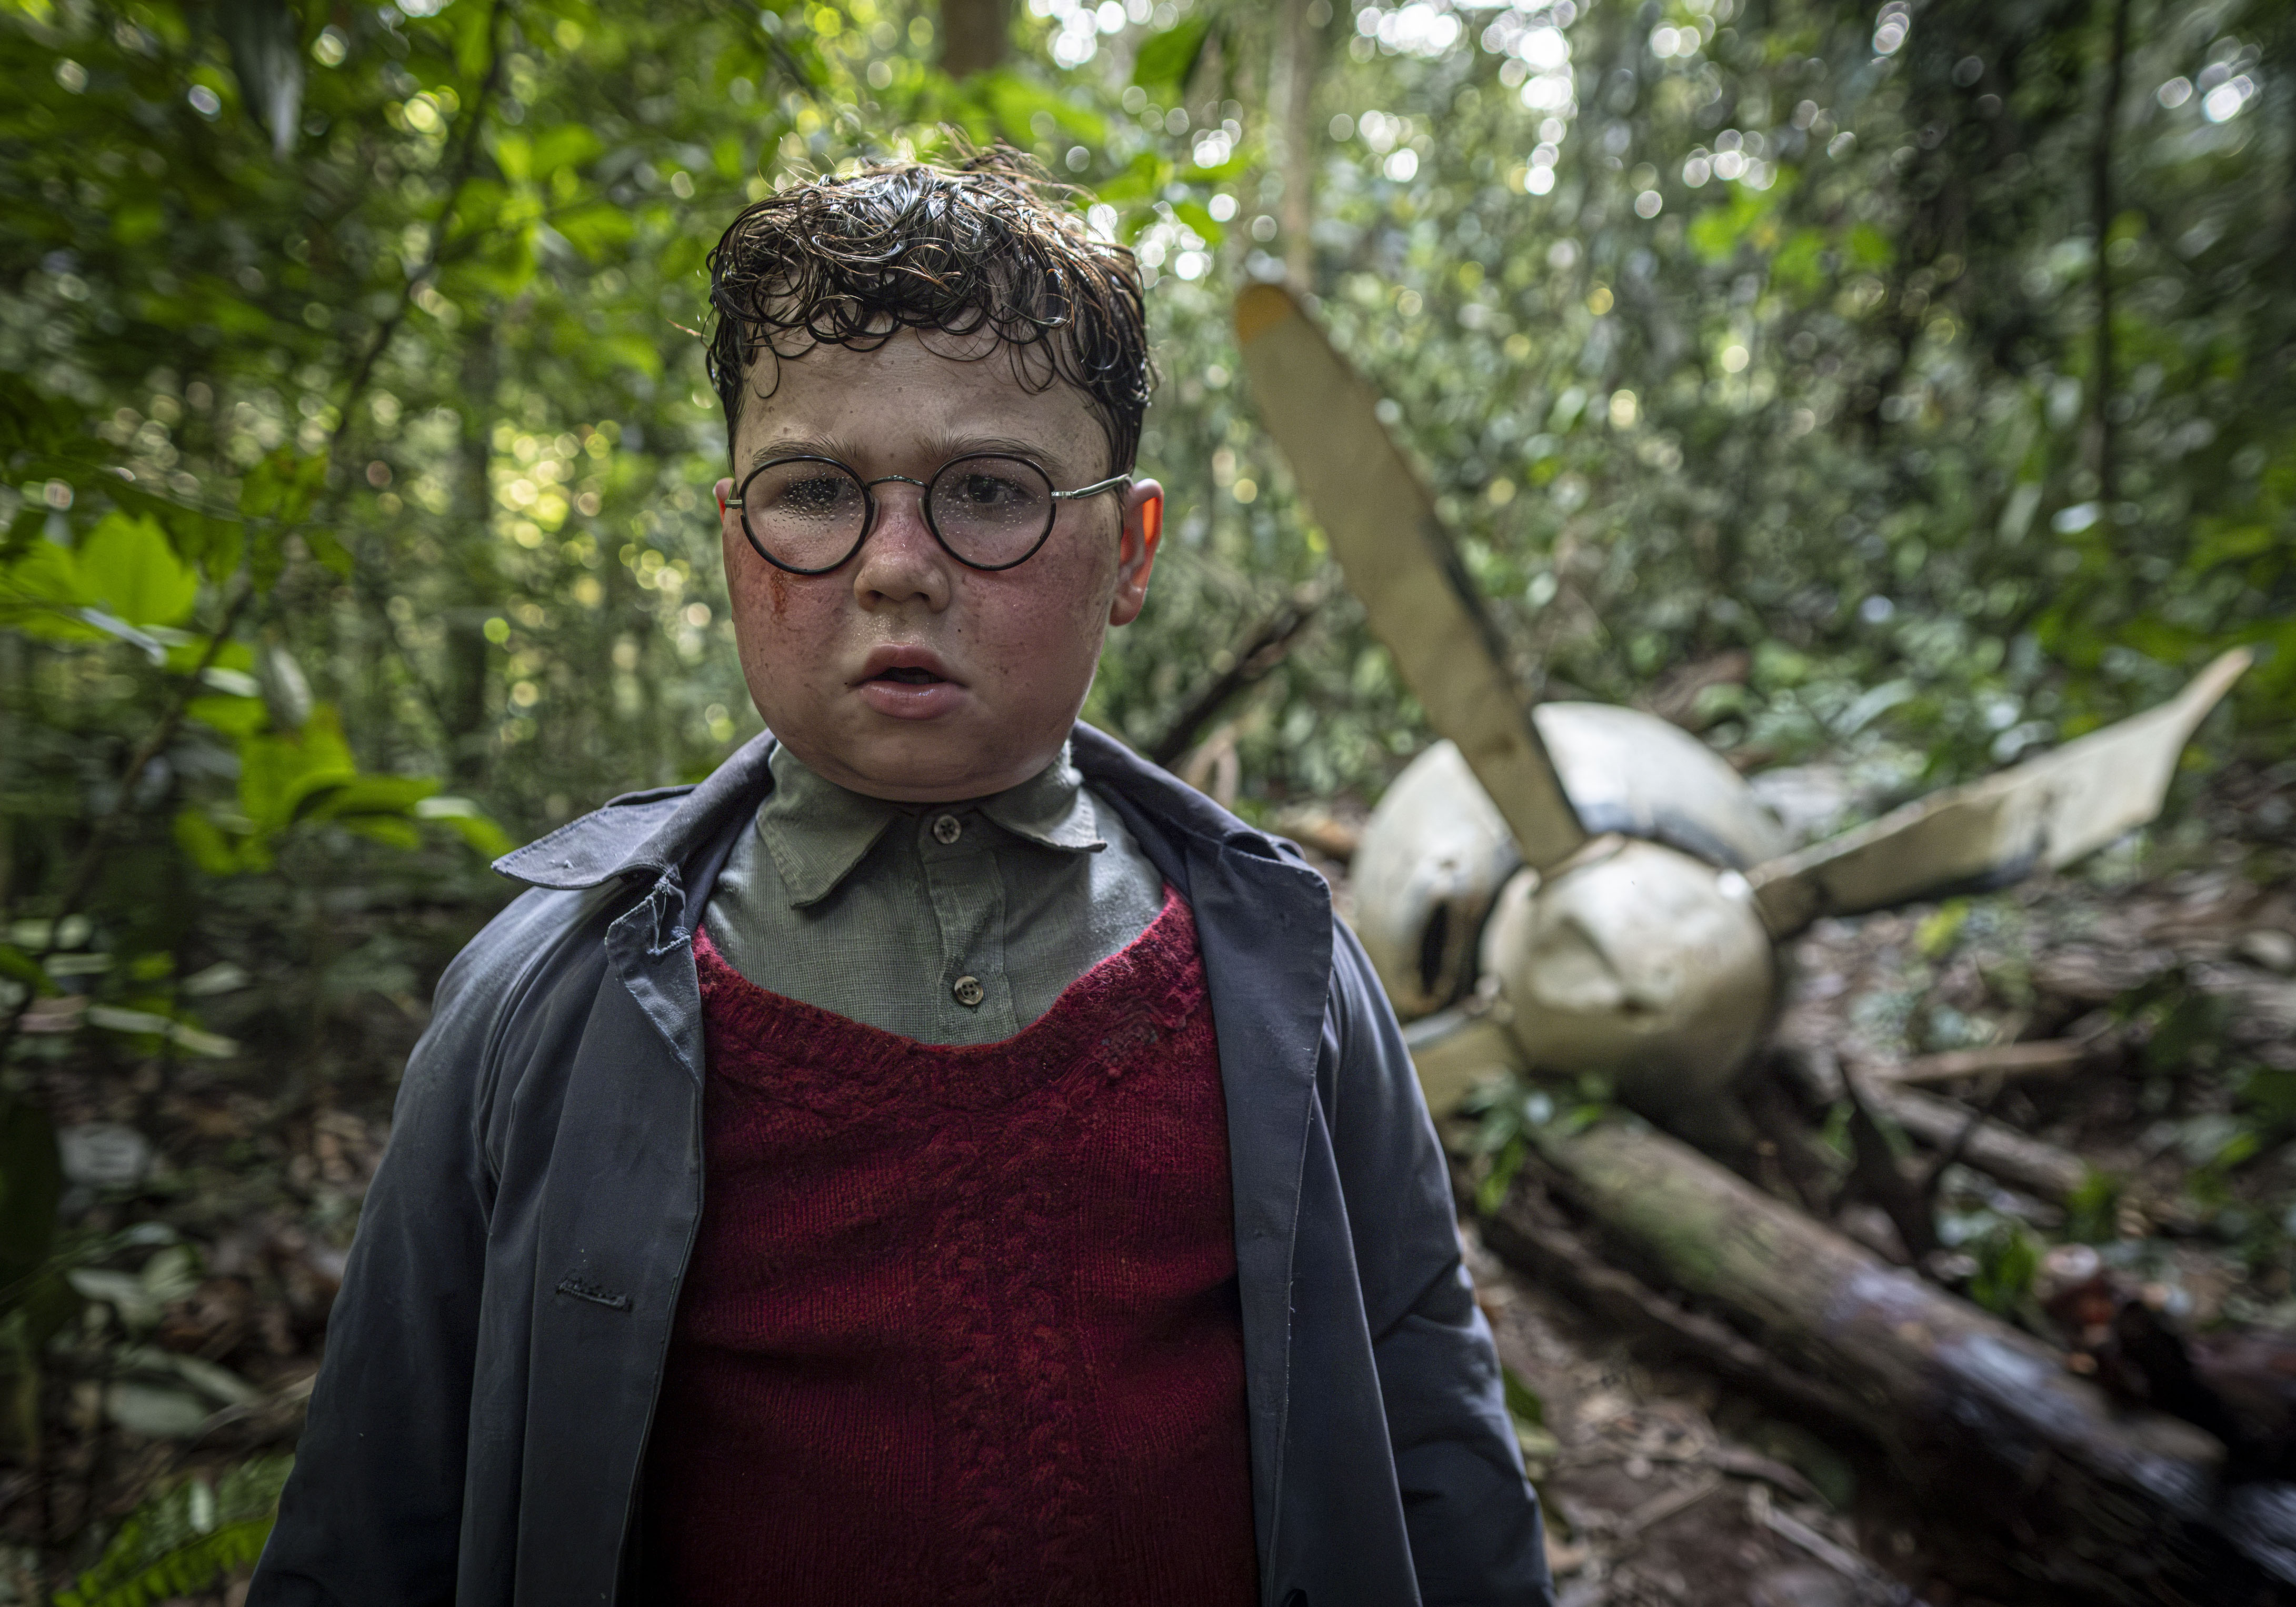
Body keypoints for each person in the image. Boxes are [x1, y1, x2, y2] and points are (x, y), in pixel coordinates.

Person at [249, 149, 1550, 1607]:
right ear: (733, 537)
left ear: (1127, 549)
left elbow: (1433, 1429)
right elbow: (368, 1521)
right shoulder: (542, 1001)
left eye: (988, 490)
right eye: (815, 491)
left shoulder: (1280, 966)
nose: (896, 567)